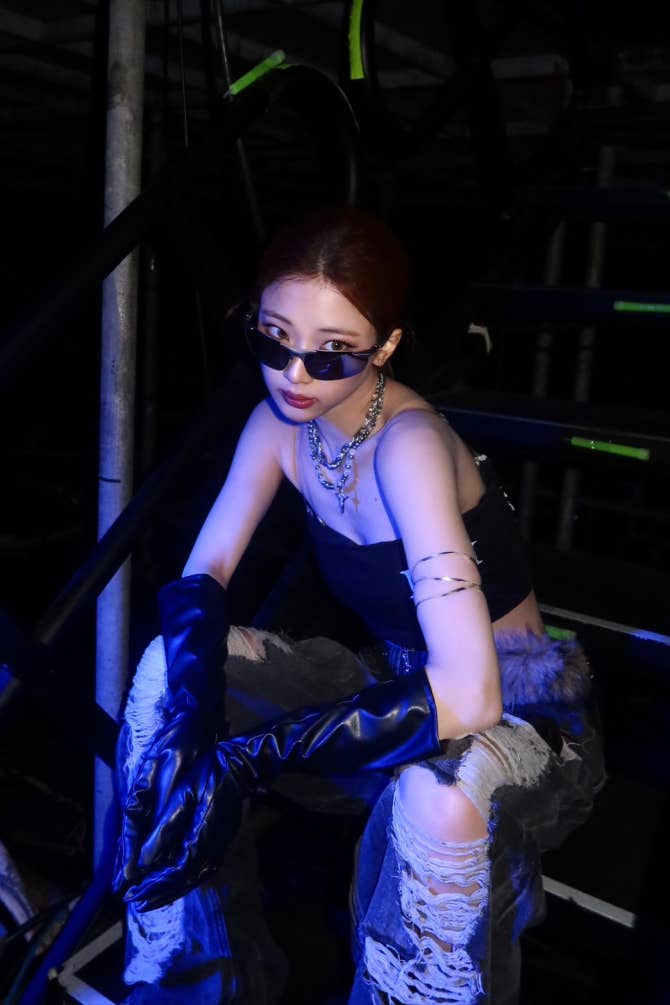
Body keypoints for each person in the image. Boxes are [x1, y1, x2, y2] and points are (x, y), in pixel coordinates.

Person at [114, 206, 605, 1005]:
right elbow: (205, 573)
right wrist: (192, 730)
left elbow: (473, 693)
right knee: (168, 678)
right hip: (393, 680)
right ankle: (185, 980)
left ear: (384, 347)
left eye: (331, 354)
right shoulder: (279, 427)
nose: (294, 375)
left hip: (517, 712)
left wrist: (250, 756)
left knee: (436, 796)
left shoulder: (409, 445)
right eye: (274, 340)